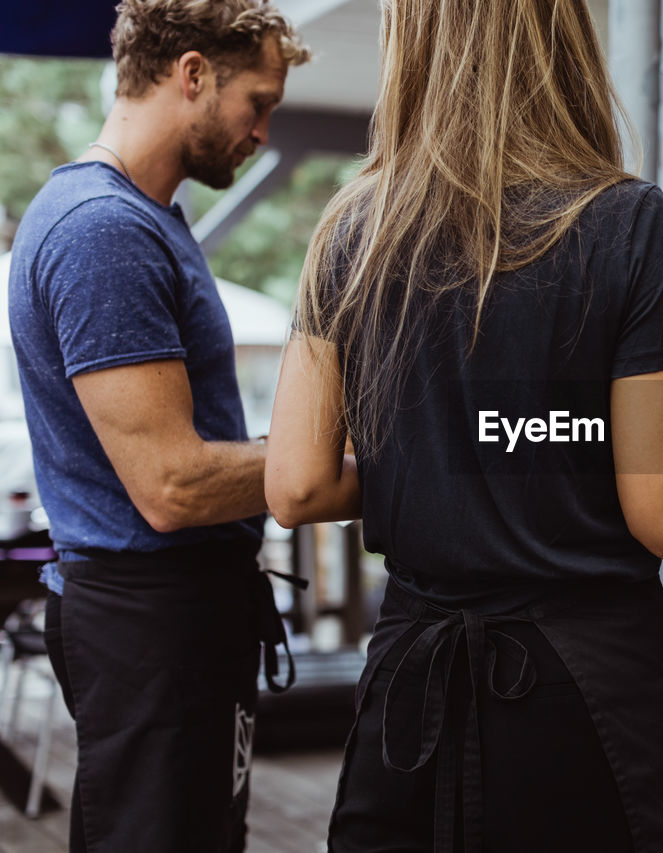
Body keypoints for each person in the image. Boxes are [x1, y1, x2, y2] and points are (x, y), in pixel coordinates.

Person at [265, 0, 663, 849]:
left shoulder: (351, 228)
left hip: (411, 695)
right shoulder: (624, 222)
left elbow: (296, 485)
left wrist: (441, 460)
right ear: (561, 40)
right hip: (582, 700)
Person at [6, 2, 310, 850]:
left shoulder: (147, 219)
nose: (261, 131)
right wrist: (349, 463)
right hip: (148, 623)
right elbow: (171, 484)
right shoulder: (103, 230)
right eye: (260, 100)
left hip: (187, 614)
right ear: (191, 74)